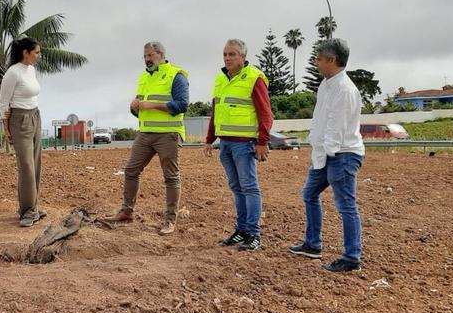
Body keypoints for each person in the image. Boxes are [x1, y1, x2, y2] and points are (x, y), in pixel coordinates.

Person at [287, 38, 366, 272]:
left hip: (341, 154)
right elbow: (320, 119)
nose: (316, 63)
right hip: (326, 154)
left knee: (346, 205)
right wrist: (318, 152)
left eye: (319, 59)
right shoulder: (327, 84)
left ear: (332, 60)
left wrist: (327, 156)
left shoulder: (344, 90)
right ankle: (312, 245)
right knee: (309, 193)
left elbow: (336, 128)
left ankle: (352, 258)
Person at [106, 41, 189, 235]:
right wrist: (134, 107)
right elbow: (141, 110)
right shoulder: (144, 76)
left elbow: (182, 105)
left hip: (168, 135)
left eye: (150, 56)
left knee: (171, 177)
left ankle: (170, 220)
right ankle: (127, 212)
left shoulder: (177, 75)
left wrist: (151, 105)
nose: (147, 59)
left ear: (160, 54)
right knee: (131, 170)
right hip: (145, 134)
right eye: (145, 56)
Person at [202, 39, 273, 251]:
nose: (227, 58)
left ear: (243, 57)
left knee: (249, 187)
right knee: (236, 188)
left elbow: (265, 113)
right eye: (225, 54)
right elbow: (216, 111)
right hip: (225, 144)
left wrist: (262, 142)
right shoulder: (220, 80)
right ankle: (241, 230)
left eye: (232, 54)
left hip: (244, 145)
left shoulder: (254, 78)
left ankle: (253, 233)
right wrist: (209, 139)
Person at [0, 37, 47, 227]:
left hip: (35, 116)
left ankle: (32, 207)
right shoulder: (13, 73)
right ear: (25, 53)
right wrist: (6, 128)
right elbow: (4, 103)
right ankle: (27, 212)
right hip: (19, 120)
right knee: (26, 165)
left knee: (36, 162)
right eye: (36, 52)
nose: (39, 55)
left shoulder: (31, 70)